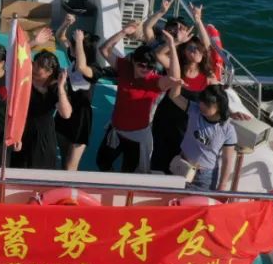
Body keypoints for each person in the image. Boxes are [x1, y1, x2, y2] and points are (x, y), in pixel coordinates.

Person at [95, 23, 182, 174]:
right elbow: (104, 49)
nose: (145, 69)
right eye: (141, 65)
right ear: (133, 62)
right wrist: (123, 32)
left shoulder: (155, 82)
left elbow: (175, 77)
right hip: (116, 129)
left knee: (128, 171)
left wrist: (172, 45)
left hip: (136, 137)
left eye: (149, 67)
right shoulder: (124, 68)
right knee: (102, 162)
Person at [151, 28, 219, 173]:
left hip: (188, 125)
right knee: (160, 155)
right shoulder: (176, 68)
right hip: (166, 118)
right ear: (184, 52)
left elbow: (217, 100)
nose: (195, 51)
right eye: (191, 48)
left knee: (181, 160)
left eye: (199, 49)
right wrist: (175, 42)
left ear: (203, 53)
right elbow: (159, 54)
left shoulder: (208, 77)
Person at [168, 82, 237, 191]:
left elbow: (227, 160)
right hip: (182, 167)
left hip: (203, 177)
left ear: (220, 106)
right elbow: (174, 96)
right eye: (202, 101)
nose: (202, 106)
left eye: (208, 104)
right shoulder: (194, 110)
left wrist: (222, 185)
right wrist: (176, 82)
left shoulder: (228, 130)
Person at [11, 51, 72, 170]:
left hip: (42, 138)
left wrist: (61, 87)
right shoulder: (25, 80)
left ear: (49, 72)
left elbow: (66, 114)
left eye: (39, 67)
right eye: (34, 64)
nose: (33, 68)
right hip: (21, 132)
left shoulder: (55, 87)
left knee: (40, 171)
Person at [54, 22, 100, 171]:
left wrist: (79, 41)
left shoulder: (94, 69)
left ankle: (70, 185)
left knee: (70, 166)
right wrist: (66, 23)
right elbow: (59, 36)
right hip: (65, 112)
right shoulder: (74, 60)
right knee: (63, 157)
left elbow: (82, 67)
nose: (71, 48)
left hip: (81, 118)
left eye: (73, 46)